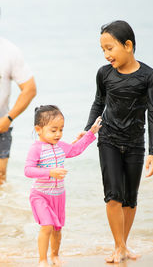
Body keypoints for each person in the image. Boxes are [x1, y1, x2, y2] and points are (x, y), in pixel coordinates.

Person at [76, 20, 153, 263]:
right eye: (102, 49)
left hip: (135, 142)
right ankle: (119, 246)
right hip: (109, 139)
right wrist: (87, 130)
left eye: (110, 48)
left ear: (128, 45)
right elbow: (98, 103)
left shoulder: (150, 76)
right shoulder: (104, 74)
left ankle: (123, 245)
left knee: (130, 198)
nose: (106, 55)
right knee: (113, 194)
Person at [24, 105, 102, 267]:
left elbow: (75, 150)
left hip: (59, 195)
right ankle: (42, 260)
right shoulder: (36, 149)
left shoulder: (60, 146)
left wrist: (91, 133)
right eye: (53, 130)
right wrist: (50, 172)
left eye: (61, 130)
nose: (58, 134)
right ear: (38, 129)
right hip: (40, 194)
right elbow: (28, 170)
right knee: (47, 225)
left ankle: (55, 256)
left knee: (57, 229)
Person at [0, 37, 36, 184]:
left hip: (1, 125)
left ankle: (5, 206)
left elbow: (30, 89)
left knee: (0, 177)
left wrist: (8, 119)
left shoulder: (9, 51)